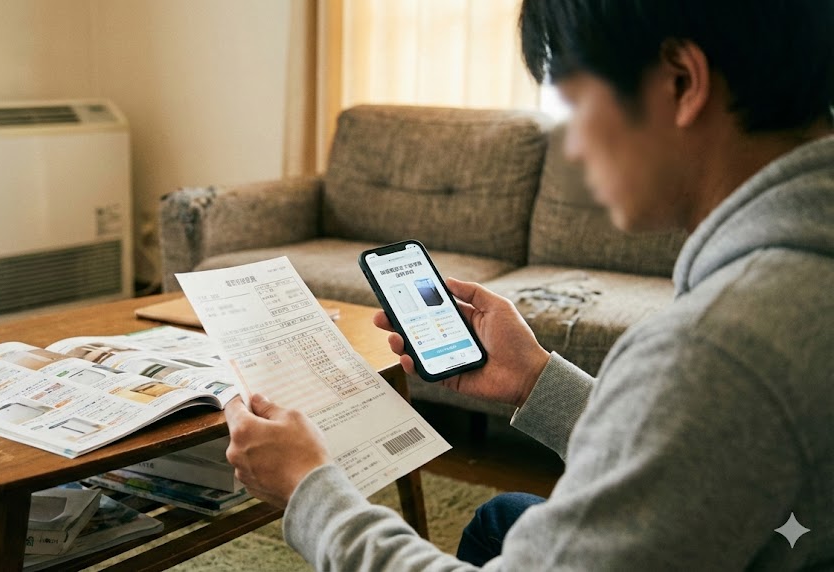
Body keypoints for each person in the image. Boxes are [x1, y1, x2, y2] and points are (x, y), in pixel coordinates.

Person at [223, 0, 834, 568]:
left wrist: (311, 491)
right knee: (500, 521)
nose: (570, 146)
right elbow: (707, 456)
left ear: (679, 82)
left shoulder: (715, 350)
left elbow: (703, 404)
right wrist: (538, 381)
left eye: (572, 103)